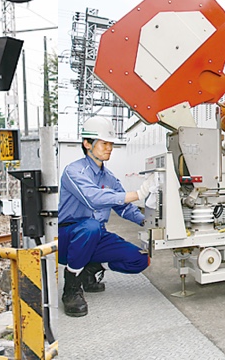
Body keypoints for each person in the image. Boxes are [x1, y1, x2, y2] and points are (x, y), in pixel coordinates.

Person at [58, 116, 155, 317]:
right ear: (87, 144)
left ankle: (91, 268)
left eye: (111, 144)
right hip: (69, 236)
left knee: (141, 260)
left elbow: (124, 208)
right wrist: (137, 194)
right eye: (104, 143)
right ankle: (71, 288)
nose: (109, 148)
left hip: (97, 236)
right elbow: (93, 198)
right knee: (90, 226)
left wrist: (147, 222)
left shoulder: (109, 177)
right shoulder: (74, 171)